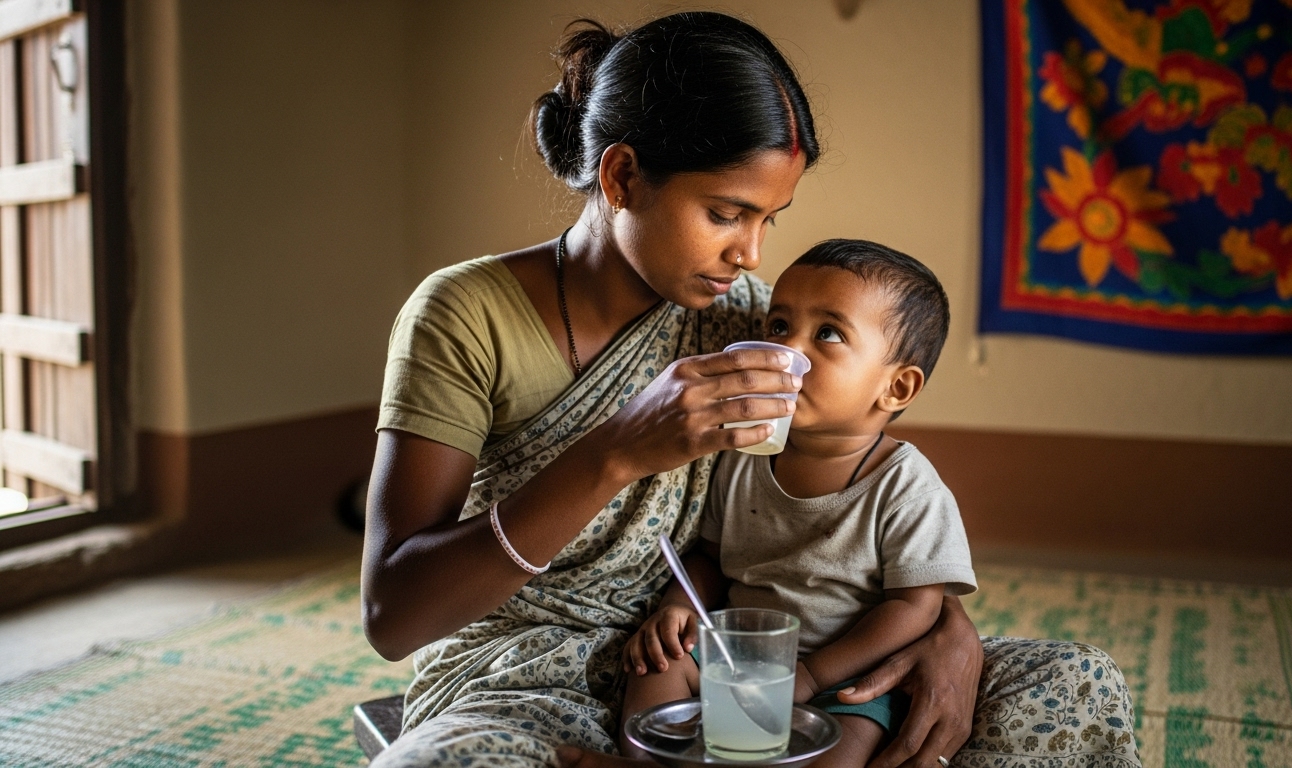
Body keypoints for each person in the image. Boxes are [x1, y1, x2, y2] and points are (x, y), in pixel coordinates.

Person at [362, 11, 1142, 768]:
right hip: (527, 678)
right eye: (727, 213)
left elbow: (849, 513)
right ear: (623, 176)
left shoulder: (746, 321)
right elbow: (394, 617)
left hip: (739, 658)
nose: (751, 253)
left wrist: (950, 635)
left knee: (1074, 685)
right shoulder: (464, 316)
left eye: (770, 219)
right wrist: (615, 453)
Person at [619, 240, 979, 768]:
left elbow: (915, 608)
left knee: (850, 738)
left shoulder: (907, 487)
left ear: (896, 387)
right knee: (658, 664)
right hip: (740, 654)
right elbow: (711, 557)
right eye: (779, 326)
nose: (787, 350)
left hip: (847, 676)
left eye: (827, 333)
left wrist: (812, 675)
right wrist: (678, 607)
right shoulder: (744, 454)